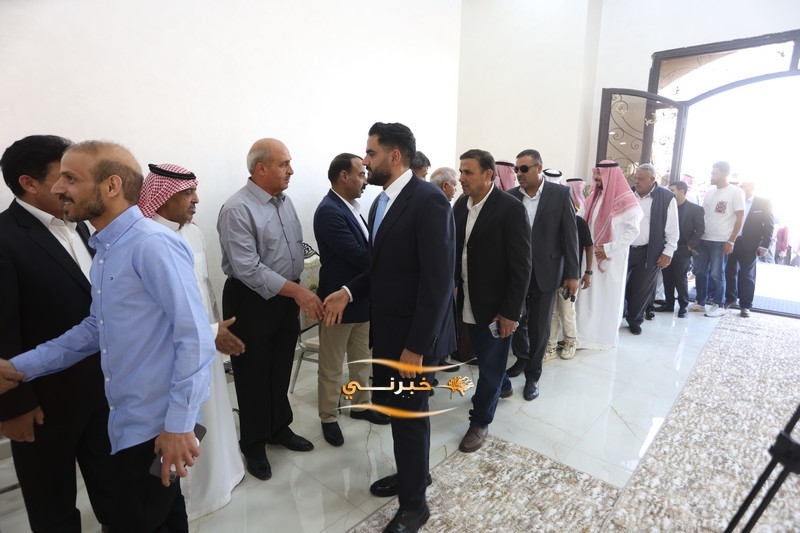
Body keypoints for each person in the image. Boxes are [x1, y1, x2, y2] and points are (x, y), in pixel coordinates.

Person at [5, 140, 215, 532]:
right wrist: (19, 367)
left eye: (70, 178)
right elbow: (95, 328)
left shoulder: (151, 245)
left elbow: (194, 338)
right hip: (126, 424)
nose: (58, 188)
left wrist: (179, 426)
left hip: (157, 429)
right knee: (161, 519)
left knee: (140, 520)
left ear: (111, 186)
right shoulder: (106, 247)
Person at [323, 122, 456, 533]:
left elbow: (438, 282)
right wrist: (348, 291)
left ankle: (415, 507)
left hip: (411, 342)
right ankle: (414, 475)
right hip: (388, 335)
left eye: (372, 153)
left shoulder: (428, 201)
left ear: (394, 156)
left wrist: (417, 347)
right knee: (403, 417)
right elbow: (380, 267)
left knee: (409, 417)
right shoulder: (381, 203)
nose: (366, 161)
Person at [0, 135, 114, 531]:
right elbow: (2, 330)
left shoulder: (83, 225)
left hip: (106, 388)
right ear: (29, 183)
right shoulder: (5, 238)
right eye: (63, 176)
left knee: (116, 491)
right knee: (53, 509)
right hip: (43, 404)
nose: (70, 186)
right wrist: (13, 407)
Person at [138, 162, 246, 520]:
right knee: (185, 418)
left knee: (213, 409)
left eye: (194, 191)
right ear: (163, 197)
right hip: (175, 350)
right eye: (187, 192)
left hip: (208, 341)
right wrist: (208, 332)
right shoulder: (148, 239)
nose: (196, 199)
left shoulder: (194, 233)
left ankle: (225, 475)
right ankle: (191, 496)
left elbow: (204, 288)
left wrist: (215, 329)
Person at [217, 138, 323, 481]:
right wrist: (299, 292)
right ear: (260, 168)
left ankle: (279, 427)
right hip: (250, 300)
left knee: (280, 366)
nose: (291, 170)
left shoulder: (284, 202)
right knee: (252, 373)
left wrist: (296, 290)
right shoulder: (237, 209)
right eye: (284, 164)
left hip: (285, 297)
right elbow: (248, 268)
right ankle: (253, 442)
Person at [453, 149, 531, 452]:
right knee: (488, 359)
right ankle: (504, 385)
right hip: (468, 300)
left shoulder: (510, 208)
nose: (461, 178)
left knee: (489, 367)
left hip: (497, 308)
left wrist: (510, 313)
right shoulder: (460, 206)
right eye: (461, 171)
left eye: (468, 172)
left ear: (488, 175)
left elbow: (521, 266)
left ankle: (480, 421)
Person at [313, 153, 389, 448]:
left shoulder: (353, 208)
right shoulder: (329, 211)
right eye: (360, 174)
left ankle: (360, 405)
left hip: (360, 298)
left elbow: (369, 251)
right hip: (338, 302)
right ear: (343, 176)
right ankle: (328, 417)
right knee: (332, 366)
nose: (365, 180)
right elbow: (360, 256)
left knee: (361, 360)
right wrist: (386, 258)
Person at [505, 149, 579, 401]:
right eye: (516, 169)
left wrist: (573, 274)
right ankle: (522, 358)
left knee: (539, 326)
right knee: (515, 320)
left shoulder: (560, 194)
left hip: (546, 272)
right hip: (516, 273)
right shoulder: (511, 196)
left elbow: (570, 236)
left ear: (539, 168)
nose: (519, 173)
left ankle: (533, 375)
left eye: (524, 169)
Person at [575, 161, 643, 350]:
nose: (596, 178)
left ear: (610, 176)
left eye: (600, 174)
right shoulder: (593, 197)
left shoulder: (626, 200)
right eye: (595, 173)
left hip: (611, 259)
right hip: (589, 256)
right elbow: (580, 218)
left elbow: (633, 231)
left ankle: (602, 339)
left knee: (607, 298)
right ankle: (583, 336)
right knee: (586, 297)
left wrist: (609, 248)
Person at [623, 164, 678, 335]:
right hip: (624, 249)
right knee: (619, 284)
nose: (636, 182)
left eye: (641, 179)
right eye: (635, 178)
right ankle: (618, 315)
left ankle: (634, 320)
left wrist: (668, 252)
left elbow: (672, 228)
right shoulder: (628, 194)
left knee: (641, 289)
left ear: (652, 180)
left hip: (649, 251)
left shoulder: (666, 198)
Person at [688, 161, 745, 317]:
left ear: (725, 174)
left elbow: (740, 218)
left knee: (717, 274)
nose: (711, 176)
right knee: (700, 272)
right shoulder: (710, 193)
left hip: (721, 240)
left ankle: (719, 305)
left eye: (715, 173)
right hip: (703, 238)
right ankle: (700, 302)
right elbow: (703, 216)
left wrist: (731, 241)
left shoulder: (736, 192)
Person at [546, 178, 594, 360]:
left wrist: (588, 272)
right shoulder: (551, 221)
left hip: (570, 275)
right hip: (553, 275)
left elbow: (589, 246)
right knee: (552, 313)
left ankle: (571, 341)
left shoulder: (579, 222)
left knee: (567, 311)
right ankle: (550, 345)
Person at [724, 180, 774, 317]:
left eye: (743, 186)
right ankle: (730, 299)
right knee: (729, 271)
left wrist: (764, 245)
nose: (740, 188)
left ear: (751, 188)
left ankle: (745, 306)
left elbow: (769, 225)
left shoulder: (763, 202)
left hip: (750, 244)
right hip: (731, 240)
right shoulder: (734, 201)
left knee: (747, 275)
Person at [655, 180, 705, 317]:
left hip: (683, 248)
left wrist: (689, 245)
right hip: (666, 247)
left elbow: (700, 230)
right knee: (667, 277)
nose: (670, 193)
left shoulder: (695, 209)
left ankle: (683, 306)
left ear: (682, 191)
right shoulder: (667, 206)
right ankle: (669, 304)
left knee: (680, 277)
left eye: (672, 190)